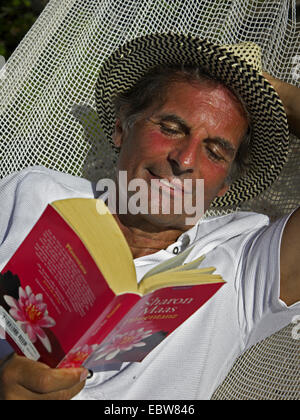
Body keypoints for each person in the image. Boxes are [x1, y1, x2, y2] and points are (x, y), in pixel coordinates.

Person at [0, 34, 299, 400]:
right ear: (122, 126)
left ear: (224, 186)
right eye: (171, 129)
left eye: (216, 153)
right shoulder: (33, 195)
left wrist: (266, 89)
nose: (185, 160)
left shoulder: (242, 267)